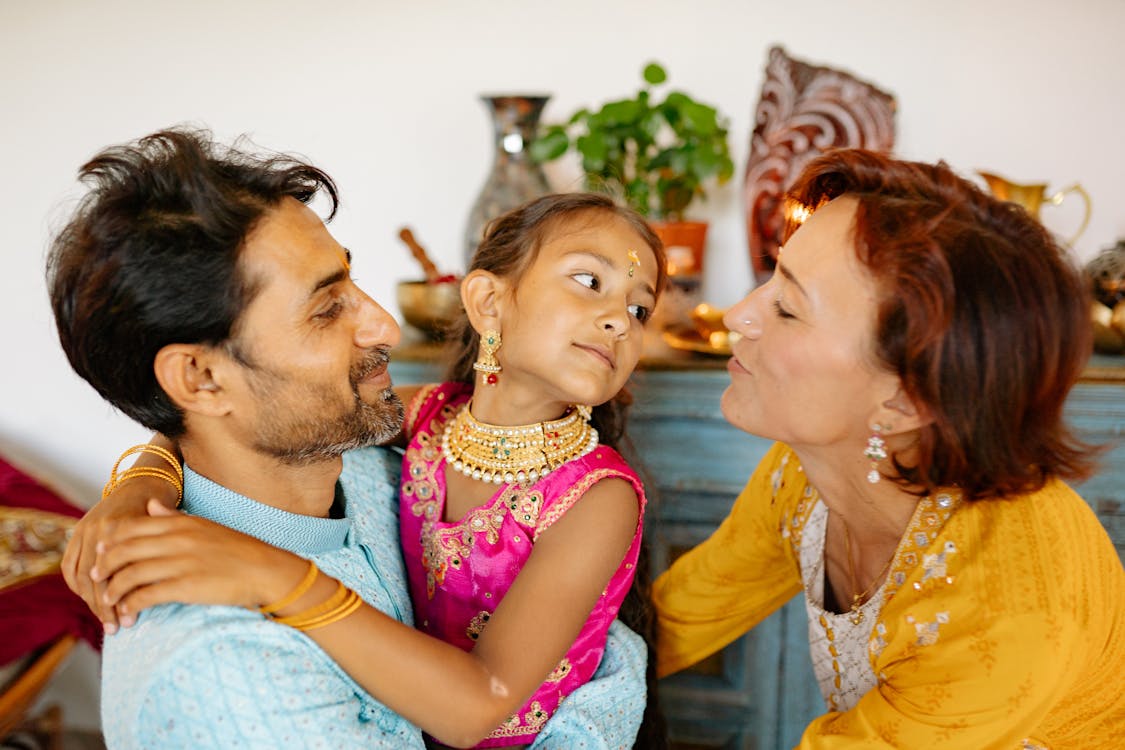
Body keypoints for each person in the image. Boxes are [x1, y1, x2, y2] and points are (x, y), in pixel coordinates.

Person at [49, 128, 650, 749]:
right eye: (326, 307)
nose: (384, 325)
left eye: (350, 281)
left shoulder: (368, 463)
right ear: (200, 378)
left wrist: (141, 479)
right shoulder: (229, 682)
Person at [652, 149, 1125, 747]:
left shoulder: (1008, 608)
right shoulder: (805, 472)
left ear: (905, 402)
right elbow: (675, 619)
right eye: (772, 274)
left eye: (788, 309)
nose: (740, 314)